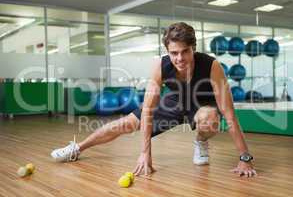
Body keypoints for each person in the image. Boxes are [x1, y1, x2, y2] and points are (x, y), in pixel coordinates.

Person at [51, 22, 257, 177]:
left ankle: (201, 141)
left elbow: (229, 114)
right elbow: (148, 111)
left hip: (202, 104)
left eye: (185, 51)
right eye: (174, 53)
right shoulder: (161, 66)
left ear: (193, 47)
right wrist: (145, 153)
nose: (179, 58)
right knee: (126, 124)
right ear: (167, 51)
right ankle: (77, 149)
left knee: (210, 116)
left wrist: (245, 158)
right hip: (175, 100)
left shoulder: (212, 66)